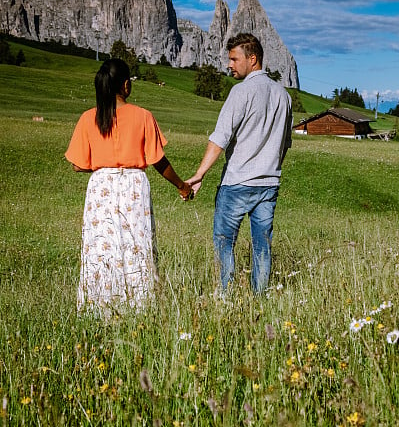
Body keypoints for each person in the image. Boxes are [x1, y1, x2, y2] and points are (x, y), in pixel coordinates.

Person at [65, 58, 192, 315]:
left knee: (101, 245)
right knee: (137, 242)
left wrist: (104, 166)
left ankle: (99, 304)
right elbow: (157, 160)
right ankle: (139, 304)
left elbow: (78, 165)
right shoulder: (143, 116)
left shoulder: (89, 118)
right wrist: (182, 185)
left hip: (101, 186)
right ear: (125, 85)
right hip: (134, 184)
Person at [187, 33, 292, 295]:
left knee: (224, 243)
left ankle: (225, 297)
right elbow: (285, 145)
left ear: (252, 59)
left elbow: (220, 137)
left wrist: (200, 174)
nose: (229, 64)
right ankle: (259, 298)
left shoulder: (241, 91)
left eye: (234, 59)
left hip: (236, 183)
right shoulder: (283, 95)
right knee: (262, 246)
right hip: (269, 184)